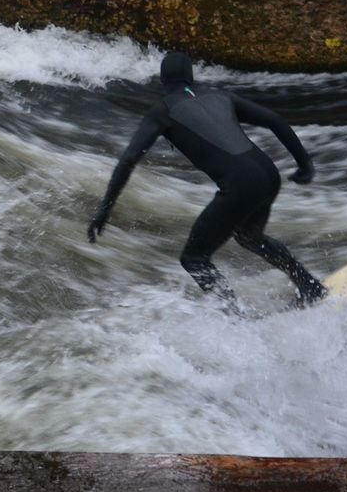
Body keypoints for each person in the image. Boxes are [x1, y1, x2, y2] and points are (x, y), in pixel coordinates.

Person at [88, 51, 326, 309]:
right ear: (191, 76)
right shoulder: (220, 95)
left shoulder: (163, 111)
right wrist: (304, 164)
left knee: (194, 259)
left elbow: (128, 159)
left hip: (240, 184)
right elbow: (276, 120)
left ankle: (237, 321)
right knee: (250, 237)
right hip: (268, 174)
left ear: (162, 79)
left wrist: (105, 209)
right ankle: (309, 286)